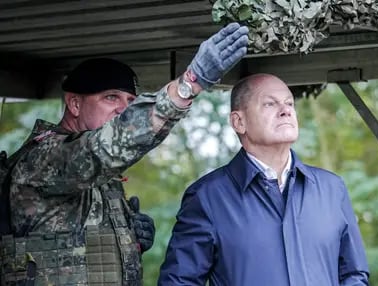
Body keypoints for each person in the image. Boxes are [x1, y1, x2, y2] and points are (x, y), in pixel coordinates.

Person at [0, 22, 249, 285]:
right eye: (111, 97)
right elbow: (110, 146)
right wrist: (189, 84)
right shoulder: (44, 158)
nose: (122, 109)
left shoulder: (96, 168)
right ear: (74, 103)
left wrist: (126, 239)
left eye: (130, 101)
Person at [158, 73, 370, 285]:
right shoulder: (207, 197)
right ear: (239, 122)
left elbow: (354, 276)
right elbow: (178, 281)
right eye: (270, 104)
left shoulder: (332, 189)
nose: (286, 110)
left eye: (289, 103)